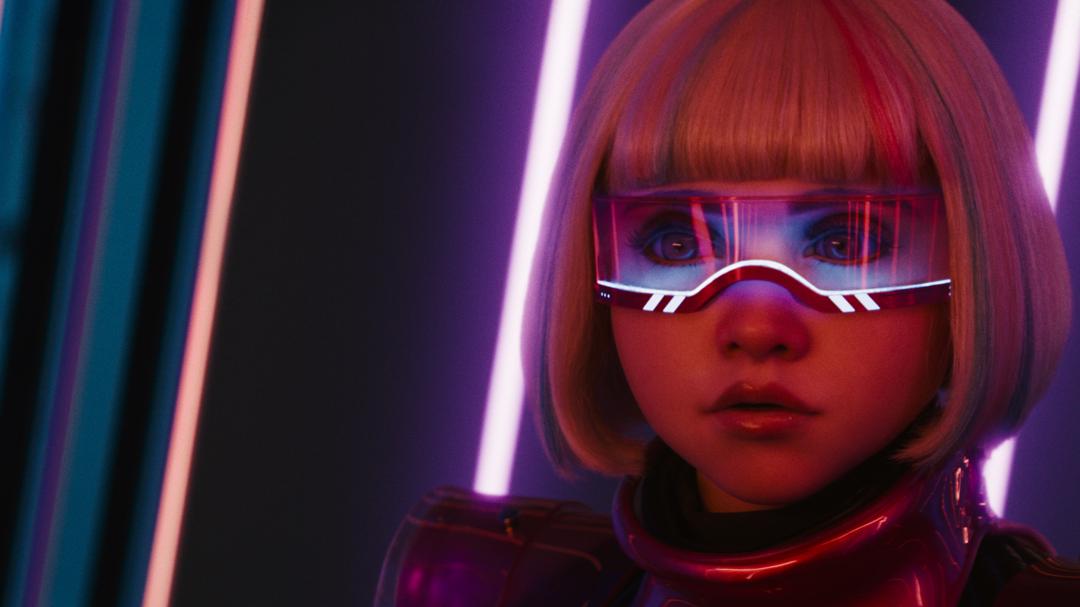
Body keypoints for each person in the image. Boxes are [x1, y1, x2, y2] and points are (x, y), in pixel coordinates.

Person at [376, 1, 1078, 604]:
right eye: (677, 242)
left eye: (845, 241)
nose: (756, 326)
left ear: (977, 263)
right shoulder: (471, 579)